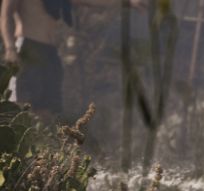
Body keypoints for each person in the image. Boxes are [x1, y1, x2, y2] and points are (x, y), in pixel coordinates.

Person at [1, 0, 145, 118]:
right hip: (28, 48)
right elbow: (5, 15)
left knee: (47, 111)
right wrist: (10, 48)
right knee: (23, 107)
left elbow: (93, 1)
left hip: (50, 53)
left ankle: (41, 152)